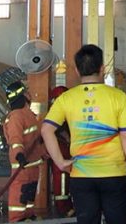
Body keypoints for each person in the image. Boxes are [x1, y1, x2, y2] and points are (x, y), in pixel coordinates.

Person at [41, 45, 126, 224]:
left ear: (77, 70)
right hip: (114, 174)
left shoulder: (66, 98)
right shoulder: (118, 96)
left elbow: (46, 130)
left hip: (82, 175)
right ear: (102, 68)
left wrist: (61, 162)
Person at [2, 81, 46, 221]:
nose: (29, 94)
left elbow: (35, 138)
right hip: (22, 165)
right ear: (23, 95)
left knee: (29, 193)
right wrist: (19, 155)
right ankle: (17, 219)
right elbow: (15, 139)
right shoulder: (16, 117)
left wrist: (44, 153)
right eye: (26, 91)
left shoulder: (29, 115)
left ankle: (29, 216)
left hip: (32, 164)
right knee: (20, 194)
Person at [48, 85, 75, 217]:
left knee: (66, 178)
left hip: (67, 149)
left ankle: (67, 205)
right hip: (60, 149)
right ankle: (63, 208)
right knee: (62, 178)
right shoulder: (56, 116)